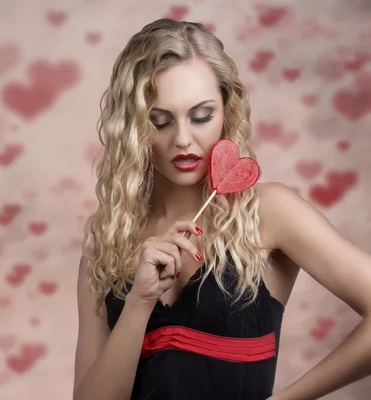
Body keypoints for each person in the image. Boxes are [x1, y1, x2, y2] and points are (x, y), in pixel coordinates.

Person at [72, 18, 371, 400]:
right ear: (131, 128)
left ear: (227, 110)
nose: (183, 139)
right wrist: (139, 303)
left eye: (201, 116)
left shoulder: (268, 213)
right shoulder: (107, 243)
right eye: (159, 122)